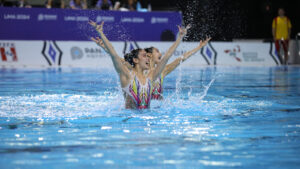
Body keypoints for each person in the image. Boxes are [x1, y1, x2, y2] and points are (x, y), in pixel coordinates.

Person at [89, 20, 188, 109]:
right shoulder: (127, 76)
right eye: (144, 56)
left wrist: (179, 37)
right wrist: (101, 33)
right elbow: (114, 54)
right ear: (136, 60)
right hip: (129, 122)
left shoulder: (151, 77)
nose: (148, 58)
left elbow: (167, 57)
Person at [145, 38, 210, 99]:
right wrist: (180, 37)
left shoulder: (162, 71)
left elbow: (181, 59)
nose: (160, 54)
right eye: (157, 51)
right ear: (149, 55)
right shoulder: (141, 73)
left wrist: (199, 47)